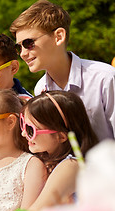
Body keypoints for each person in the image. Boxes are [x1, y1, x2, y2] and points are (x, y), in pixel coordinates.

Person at [10, 0, 115, 141]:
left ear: (58, 36)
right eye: (19, 48)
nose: (22, 53)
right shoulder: (40, 90)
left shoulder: (105, 78)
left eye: (28, 43)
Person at [20, 91, 99, 211]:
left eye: (30, 130)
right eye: (23, 125)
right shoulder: (49, 161)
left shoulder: (71, 165)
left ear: (61, 137)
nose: (23, 133)